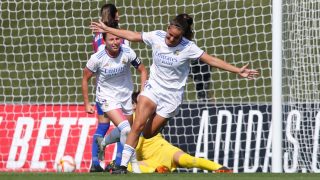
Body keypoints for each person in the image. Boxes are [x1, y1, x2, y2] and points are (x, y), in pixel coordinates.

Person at [90, 13, 259, 174]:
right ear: (167, 28)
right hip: (153, 89)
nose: (170, 39)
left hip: (171, 97)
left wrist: (237, 70)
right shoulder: (157, 36)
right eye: (169, 34)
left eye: (175, 37)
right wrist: (107, 29)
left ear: (182, 36)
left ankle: (117, 147)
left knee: (148, 134)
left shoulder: (189, 47)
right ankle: (122, 166)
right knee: (137, 125)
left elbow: (211, 60)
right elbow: (132, 35)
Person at [101, 92, 232, 173]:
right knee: (189, 160)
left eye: (132, 103)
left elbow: (124, 137)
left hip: (158, 152)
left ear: (135, 105)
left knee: (126, 166)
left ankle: (157, 170)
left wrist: (105, 143)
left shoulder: (135, 118)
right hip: (158, 153)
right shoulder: (145, 116)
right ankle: (220, 168)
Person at [83, 23, 147, 173]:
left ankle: (104, 144)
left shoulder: (127, 52)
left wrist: (142, 93)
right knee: (125, 130)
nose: (115, 42)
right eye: (111, 39)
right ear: (104, 41)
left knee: (130, 131)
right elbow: (85, 78)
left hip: (125, 97)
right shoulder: (97, 58)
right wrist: (87, 103)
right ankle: (125, 165)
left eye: (118, 39)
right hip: (107, 98)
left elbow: (143, 70)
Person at [88, 3, 122, 172]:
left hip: (102, 89)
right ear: (114, 15)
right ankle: (119, 163)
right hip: (118, 90)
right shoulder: (115, 36)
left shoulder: (97, 35)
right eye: (118, 14)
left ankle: (95, 163)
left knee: (102, 126)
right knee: (124, 127)